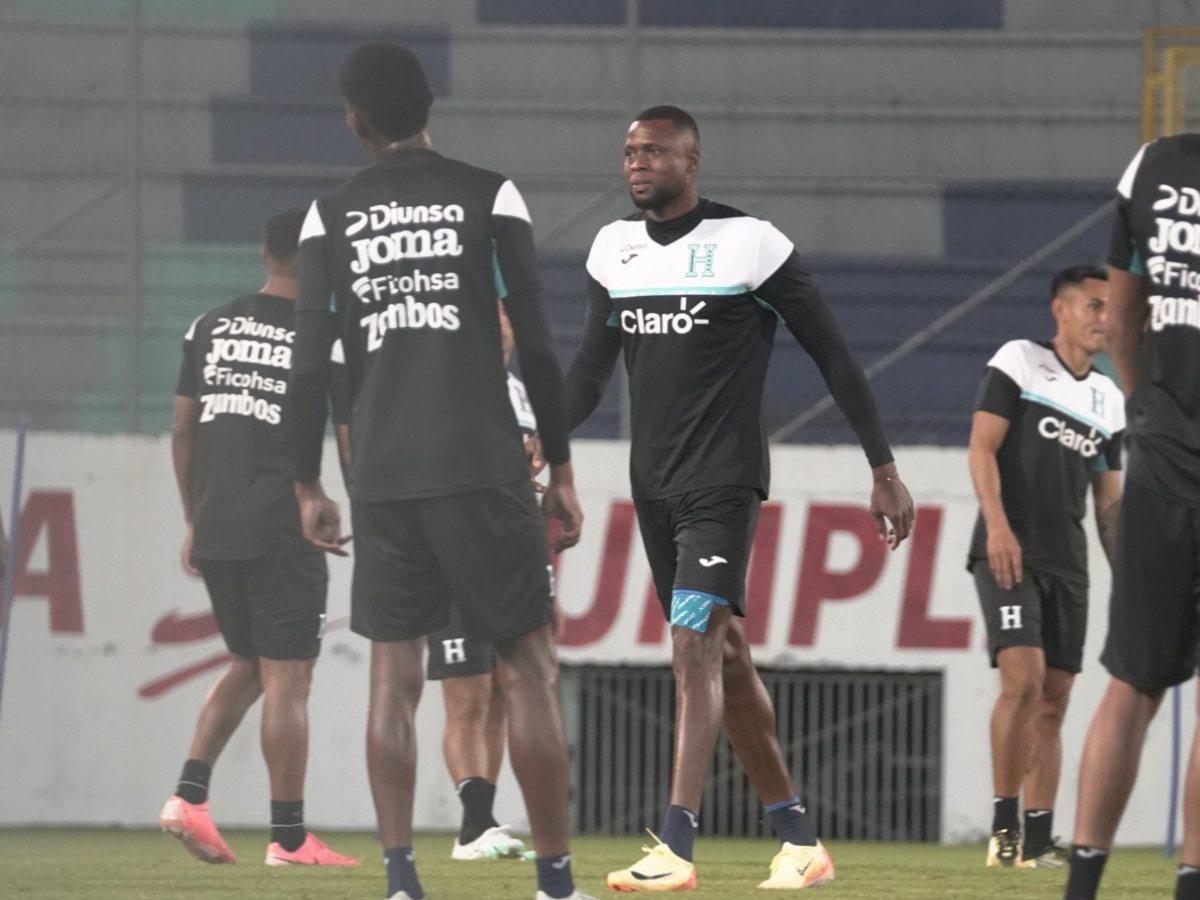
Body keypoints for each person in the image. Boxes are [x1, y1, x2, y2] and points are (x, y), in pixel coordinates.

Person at [564, 105, 914, 892]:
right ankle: (799, 842)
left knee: (691, 645)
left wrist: (882, 465)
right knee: (724, 655)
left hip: (722, 482)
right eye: (628, 151)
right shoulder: (611, 250)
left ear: (692, 158)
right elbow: (588, 370)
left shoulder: (751, 243)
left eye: (654, 150)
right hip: (651, 485)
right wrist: (541, 437)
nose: (637, 162)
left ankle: (675, 847)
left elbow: (834, 356)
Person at [285, 43, 589, 900]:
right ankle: (555, 881)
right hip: (484, 463)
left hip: (380, 471)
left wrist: (307, 482)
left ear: (355, 119)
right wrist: (560, 467)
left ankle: (398, 880)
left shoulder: (326, 216)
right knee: (528, 669)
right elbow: (534, 336)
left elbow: (310, 365)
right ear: (429, 108)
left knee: (394, 676)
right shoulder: (491, 193)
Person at [159, 208, 357, 868]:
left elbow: (184, 431)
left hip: (215, 524)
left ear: (264, 253)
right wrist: (355, 506)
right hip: (282, 525)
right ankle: (290, 838)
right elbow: (349, 434)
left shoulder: (207, 326)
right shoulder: (324, 335)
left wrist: (194, 518)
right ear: (319, 262)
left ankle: (188, 796)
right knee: (288, 678)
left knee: (248, 664)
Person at [330, 302, 546, 862]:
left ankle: (481, 823)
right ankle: (475, 820)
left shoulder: (519, 389)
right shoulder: (453, 381)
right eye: (490, 314)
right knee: (467, 689)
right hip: (455, 551)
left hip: (504, 549)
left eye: (506, 315)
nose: (499, 323)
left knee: (501, 688)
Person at [1065, 134, 1200, 900]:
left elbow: (1120, 310)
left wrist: (1145, 406)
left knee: (1132, 684)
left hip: (1162, 451)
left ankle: (1083, 885)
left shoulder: (1155, 164)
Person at [966, 266, 1124, 869]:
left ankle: (1037, 839)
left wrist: (1131, 580)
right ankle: (1003, 825)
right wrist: (998, 525)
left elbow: (1109, 503)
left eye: (1111, 308)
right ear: (1060, 309)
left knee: (1054, 702)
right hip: (1008, 552)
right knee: (1023, 680)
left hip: (1070, 565)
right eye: (1093, 305)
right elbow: (981, 446)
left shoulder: (1110, 399)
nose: (1104, 318)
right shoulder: (1021, 361)